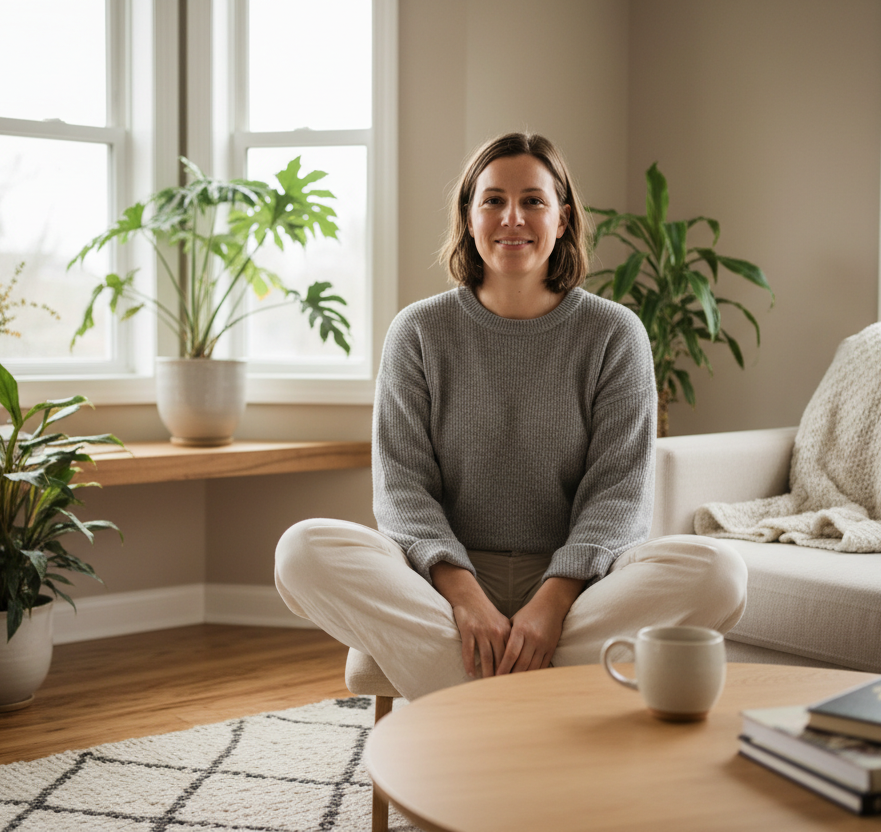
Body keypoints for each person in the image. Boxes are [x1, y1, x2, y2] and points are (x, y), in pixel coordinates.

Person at [274, 132, 746, 700]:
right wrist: (467, 601)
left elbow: (619, 494)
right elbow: (402, 491)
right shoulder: (419, 332)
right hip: (443, 586)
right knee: (301, 550)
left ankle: (465, 702)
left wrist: (551, 604)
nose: (512, 218)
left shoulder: (615, 334)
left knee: (720, 571)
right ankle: (527, 707)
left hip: (580, 590)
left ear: (563, 219)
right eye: (493, 200)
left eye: (533, 201)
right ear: (469, 218)